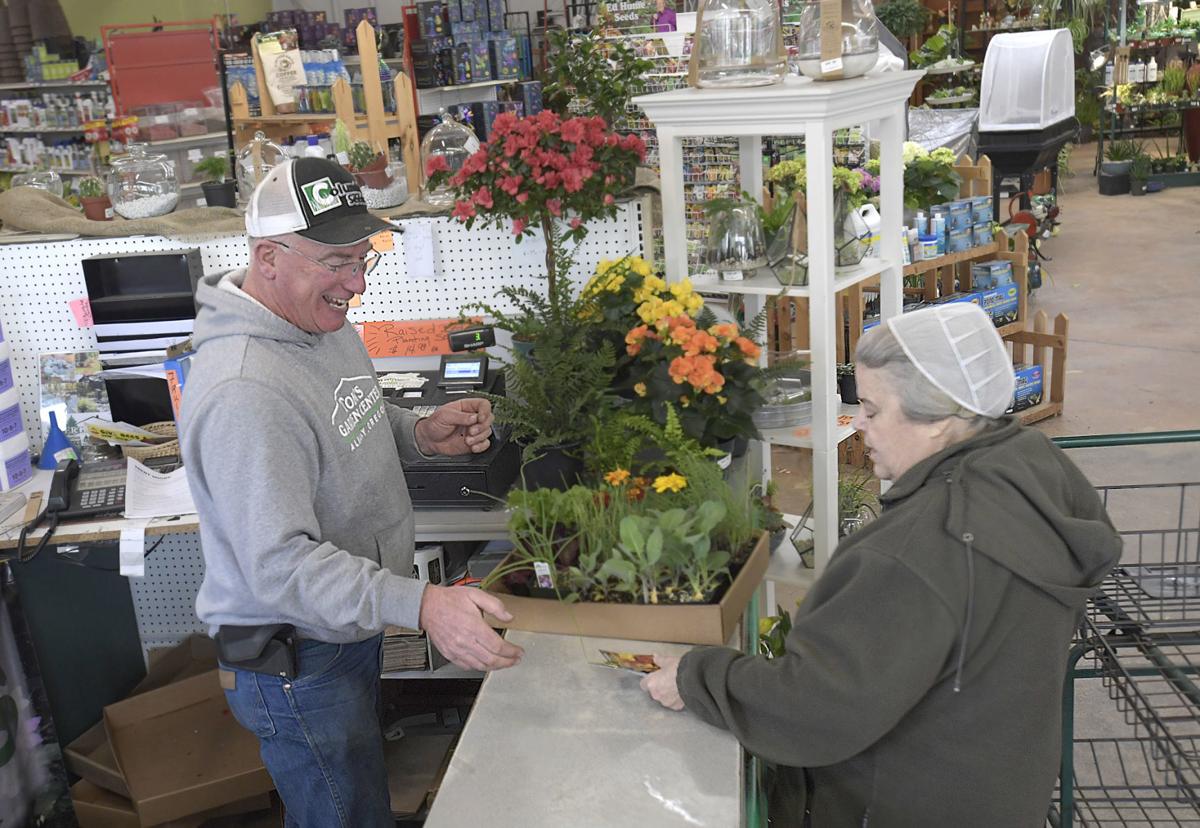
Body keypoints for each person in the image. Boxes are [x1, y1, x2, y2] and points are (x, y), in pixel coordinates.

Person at [641, 303, 1121, 826]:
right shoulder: (1032, 466)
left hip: (903, 803)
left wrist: (696, 677)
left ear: (939, 418)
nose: (860, 425)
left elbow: (817, 708)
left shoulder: (914, 554)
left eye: (871, 408)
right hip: (998, 787)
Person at [181, 157, 524, 827]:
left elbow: (350, 413)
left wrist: (421, 432)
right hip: (300, 658)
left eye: (364, 259)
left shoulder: (316, 325)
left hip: (341, 632)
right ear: (268, 258)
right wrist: (422, 603)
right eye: (338, 262)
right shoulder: (244, 391)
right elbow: (280, 567)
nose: (357, 284)